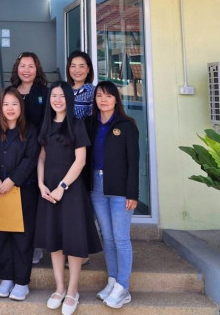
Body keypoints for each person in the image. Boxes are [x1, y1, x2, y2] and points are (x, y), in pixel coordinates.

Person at [34, 82, 102, 315]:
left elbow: (80, 161)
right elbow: (41, 157)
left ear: (68, 99)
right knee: (54, 240)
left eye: (62, 96)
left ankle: (73, 290)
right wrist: (41, 184)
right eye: (53, 96)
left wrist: (62, 186)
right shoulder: (45, 125)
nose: (57, 100)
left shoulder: (76, 124)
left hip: (70, 190)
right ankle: (59, 288)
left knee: (73, 241)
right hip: (48, 190)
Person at [0, 87, 40, 301]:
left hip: (22, 190)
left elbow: (30, 159)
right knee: (1, 235)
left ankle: (22, 282)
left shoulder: (31, 130)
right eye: (6, 104)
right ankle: (6, 278)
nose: (10, 108)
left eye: (14, 104)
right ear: (0, 108)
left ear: (21, 107)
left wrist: (12, 180)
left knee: (22, 237)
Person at [87, 81, 139, 309]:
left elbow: (133, 162)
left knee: (120, 238)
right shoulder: (90, 124)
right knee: (107, 237)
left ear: (116, 99)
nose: (103, 100)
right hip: (97, 187)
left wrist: (132, 193)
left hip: (120, 189)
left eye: (108, 96)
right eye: (99, 95)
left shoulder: (127, 125)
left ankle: (123, 287)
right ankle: (113, 280)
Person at [10, 51, 49, 264]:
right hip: (14, 155)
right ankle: (17, 243)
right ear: (17, 68)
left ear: (37, 69)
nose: (26, 70)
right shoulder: (11, 92)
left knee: (35, 202)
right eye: (23, 66)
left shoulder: (45, 92)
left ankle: (35, 245)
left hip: (39, 154)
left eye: (31, 66)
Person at [66, 50, 95, 121]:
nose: (77, 70)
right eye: (73, 66)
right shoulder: (64, 90)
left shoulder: (93, 92)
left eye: (81, 66)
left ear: (88, 69)